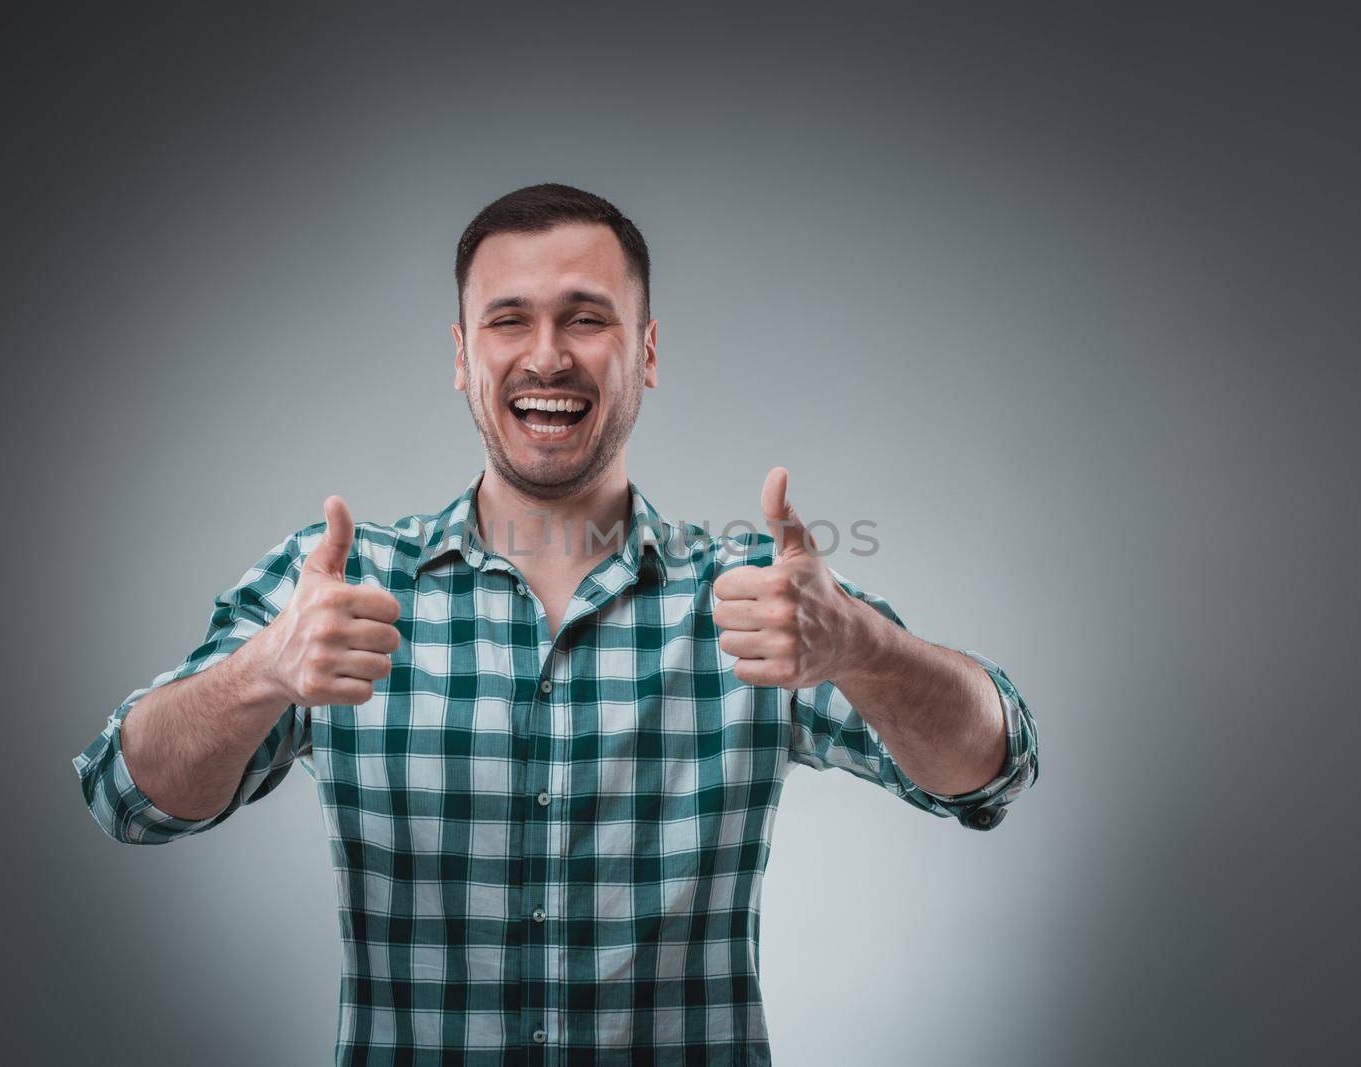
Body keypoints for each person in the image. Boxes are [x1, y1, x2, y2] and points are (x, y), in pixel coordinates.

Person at [72, 182, 1040, 1064]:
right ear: (460, 355)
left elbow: (991, 768)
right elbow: (127, 791)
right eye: (508, 320)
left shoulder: (760, 599)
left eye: (587, 318)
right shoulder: (337, 589)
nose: (546, 355)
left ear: (646, 351)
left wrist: (862, 646)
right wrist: (260, 673)